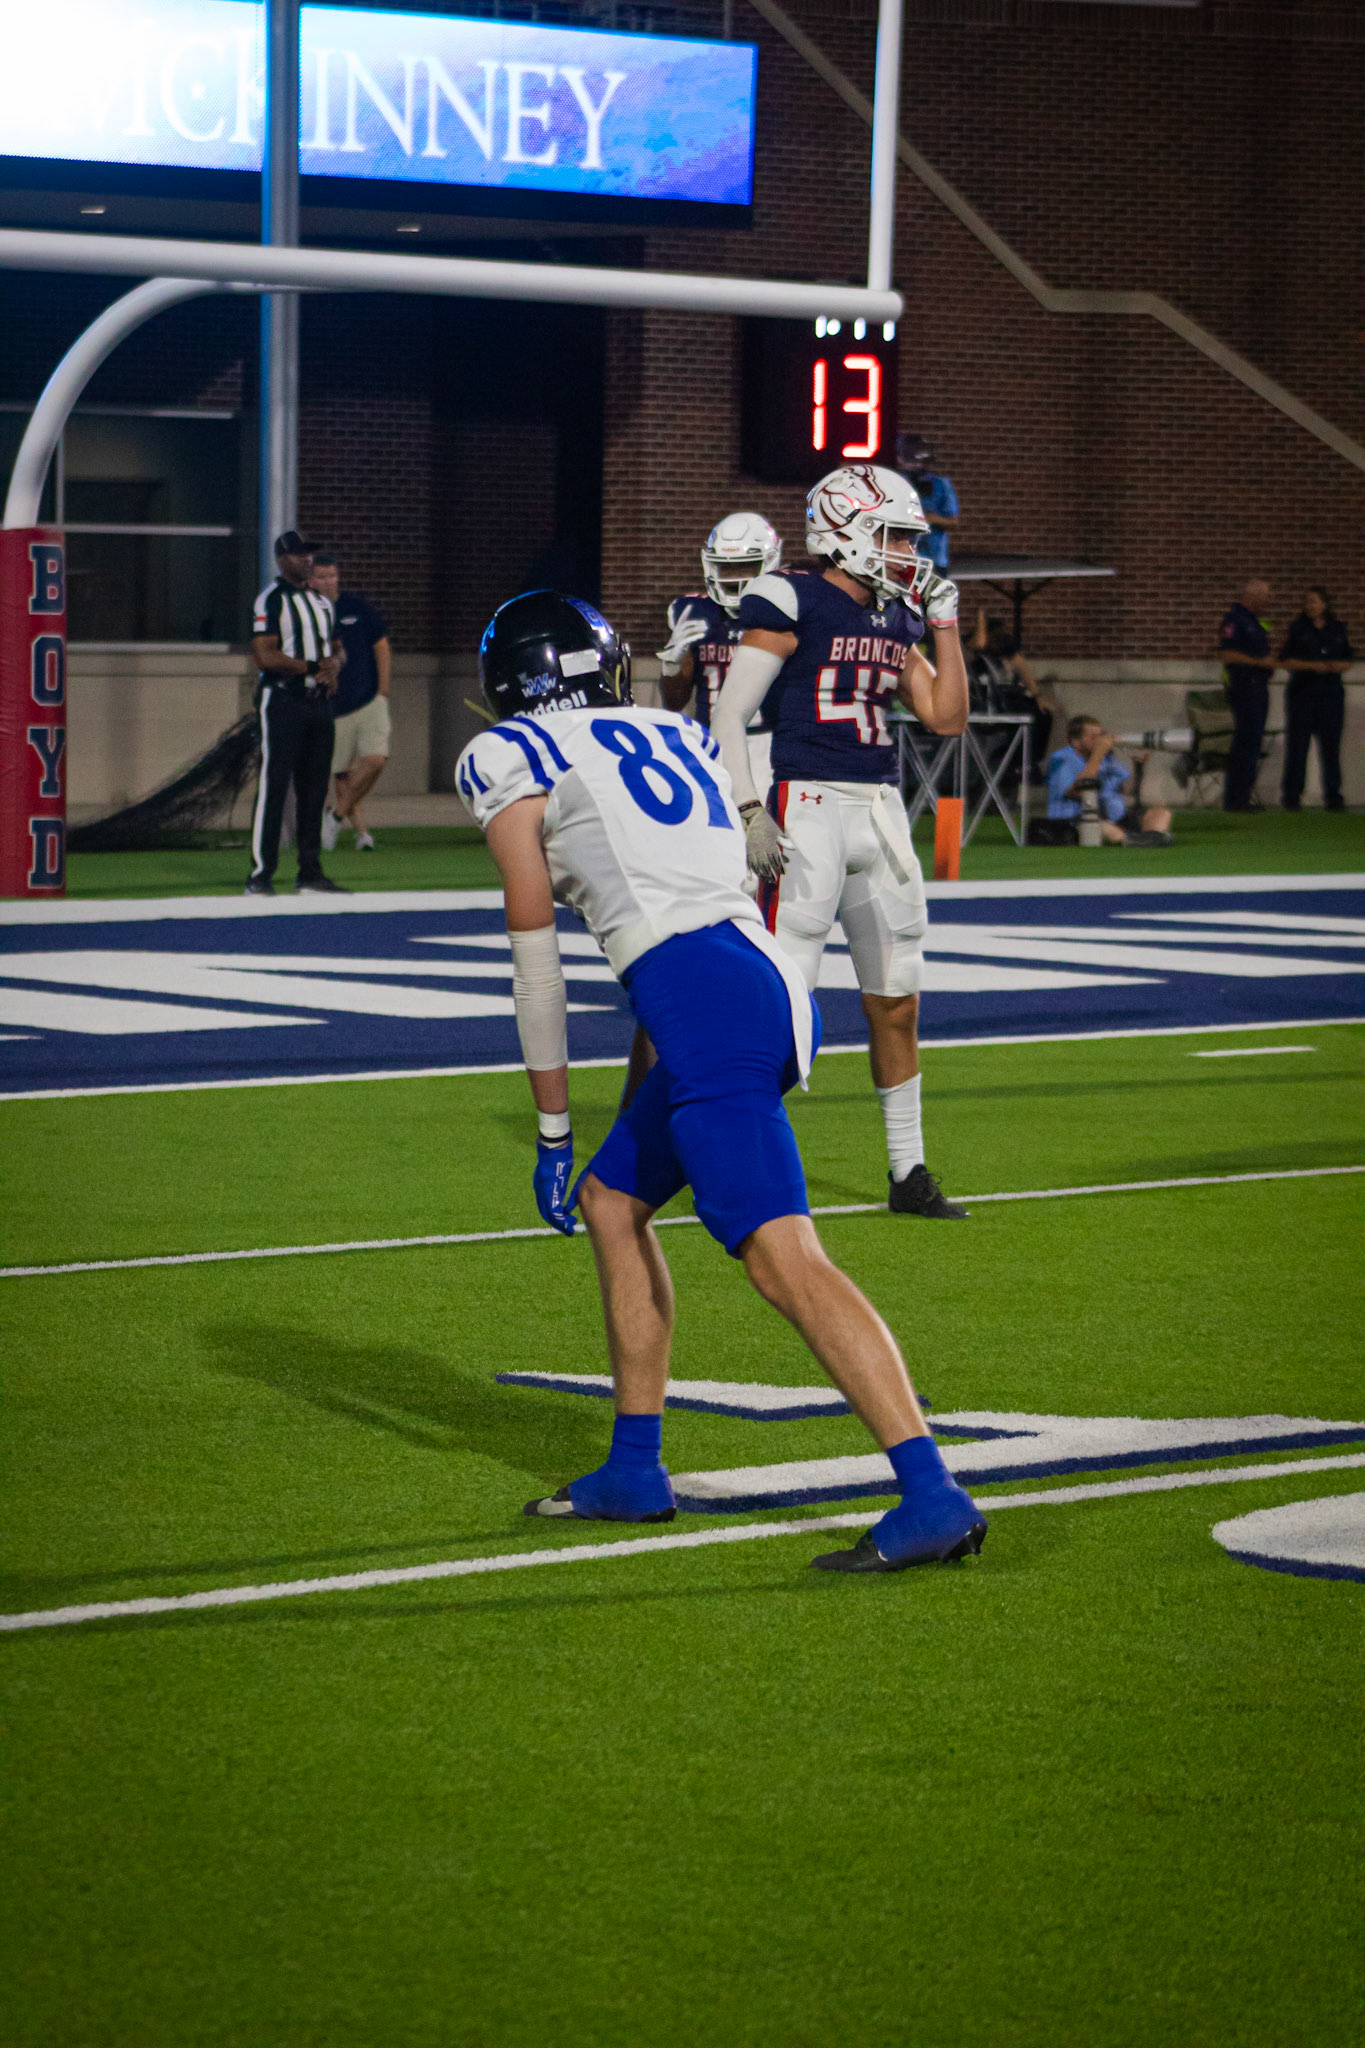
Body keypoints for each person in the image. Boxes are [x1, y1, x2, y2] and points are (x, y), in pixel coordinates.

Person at [455, 588, 986, 1574]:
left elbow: (537, 963)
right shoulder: (674, 731)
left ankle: (931, 1493)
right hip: (757, 980)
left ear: (513, 682)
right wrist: (626, 1116)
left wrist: (554, 1129)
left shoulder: (509, 752)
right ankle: (633, 1470)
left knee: (785, 1259)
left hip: (703, 1000)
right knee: (614, 1202)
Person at [711, 462, 971, 1221]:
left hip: (879, 810)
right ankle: (735, 1157)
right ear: (846, 532)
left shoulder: (898, 615)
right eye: (894, 537)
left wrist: (947, 626)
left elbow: (946, 717)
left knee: (897, 999)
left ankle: (908, 1170)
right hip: (807, 808)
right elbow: (729, 714)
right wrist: (750, 808)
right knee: (781, 1005)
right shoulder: (790, 596)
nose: (908, 553)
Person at [246, 531, 347, 896]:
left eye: (310, 554)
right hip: (283, 699)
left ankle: (310, 872)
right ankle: (261, 875)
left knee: (315, 788)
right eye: (299, 555)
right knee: (274, 785)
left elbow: (336, 647)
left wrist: (333, 667)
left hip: (318, 703)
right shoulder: (271, 600)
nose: (307, 560)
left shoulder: (321, 602)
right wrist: (311, 667)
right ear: (282, 559)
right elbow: (265, 655)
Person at [311, 553, 392, 852]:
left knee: (376, 761)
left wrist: (383, 690)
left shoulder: (356, 607)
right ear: (311, 580)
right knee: (341, 773)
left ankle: (334, 816)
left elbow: (381, 646)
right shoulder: (311, 614)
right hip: (334, 707)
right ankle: (360, 832)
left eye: (332, 575)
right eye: (322, 576)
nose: (329, 581)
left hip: (369, 699)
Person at [1279, 587, 1352, 812]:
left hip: (1331, 696)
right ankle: (1292, 796)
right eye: (1307, 602)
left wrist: (1339, 666)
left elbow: (1349, 658)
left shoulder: (1337, 629)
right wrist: (1311, 666)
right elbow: (1286, 660)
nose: (1310, 606)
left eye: (1314, 601)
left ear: (1324, 604)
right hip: (1303, 695)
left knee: (1331, 748)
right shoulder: (1298, 629)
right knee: (1298, 747)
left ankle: (1333, 796)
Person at [1047, 714, 1172, 844]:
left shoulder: (1106, 760)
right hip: (1075, 821)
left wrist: (1138, 765)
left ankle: (1150, 838)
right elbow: (1078, 791)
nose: (1099, 741)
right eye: (1093, 737)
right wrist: (1098, 753)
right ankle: (1135, 840)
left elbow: (1128, 789)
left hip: (1114, 819)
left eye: (1100, 735)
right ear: (1075, 741)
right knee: (1105, 828)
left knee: (1160, 813)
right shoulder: (1063, 759)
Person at [967, 607, 1064, 773]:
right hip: (985, 700)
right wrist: (981, 618)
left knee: (1043, 715)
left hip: (1008, 697)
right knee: (1018, 720)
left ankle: (1030, 760)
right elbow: (979, 644)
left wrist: (1038, 696)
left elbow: (1021, 666)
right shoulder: (975, 649)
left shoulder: (1007, 653)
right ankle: (1013, 761)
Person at [1217, 577, 1277, 811]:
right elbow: (1228, 655)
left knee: (1253, 742)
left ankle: (1243, 796)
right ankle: (1236, 799)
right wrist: (1260, 662)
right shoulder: (1235, 620)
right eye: (1266, 595)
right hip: (1244, 688)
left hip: (1258, 687)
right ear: (1254, 595)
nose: (1269, 600)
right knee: (1245, 742)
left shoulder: (1255, 622)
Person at [897, 432, 958, 571]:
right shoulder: (897, 482)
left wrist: (930, 518)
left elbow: (953, 521)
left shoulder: (940, 484)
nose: (916, 465)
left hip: (935, 559)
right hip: (904, 559)